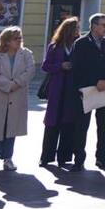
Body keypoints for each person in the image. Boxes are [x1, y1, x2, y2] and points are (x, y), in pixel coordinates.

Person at [0, 26, 35, 173]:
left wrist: (17, 83)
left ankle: (8, 158)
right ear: (7, 40)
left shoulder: (26, 54)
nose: (19, 41)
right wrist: (8, 85)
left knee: (11, 128)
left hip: (18, 94)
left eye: (20, 38)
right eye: (16, 38)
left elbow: (30, 71)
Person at [70, 13, 105, 171]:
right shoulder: (81, 43)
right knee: (81, 127)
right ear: (94, 26)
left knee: (104, 127)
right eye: (104, 25)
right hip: (87, 90)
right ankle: (79, 159)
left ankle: (102, 157)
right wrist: (95, 81)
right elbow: (77, 67)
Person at [40, 17, 79, 167]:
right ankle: (46, 156)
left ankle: (64, 157)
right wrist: (60, 65)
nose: (77, 32)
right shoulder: (55, 46)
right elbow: (45, 66)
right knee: (52, 123)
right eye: (75, 29)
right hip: (57, 89)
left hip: (72, 90)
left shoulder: (78, 46)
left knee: (68, 123)